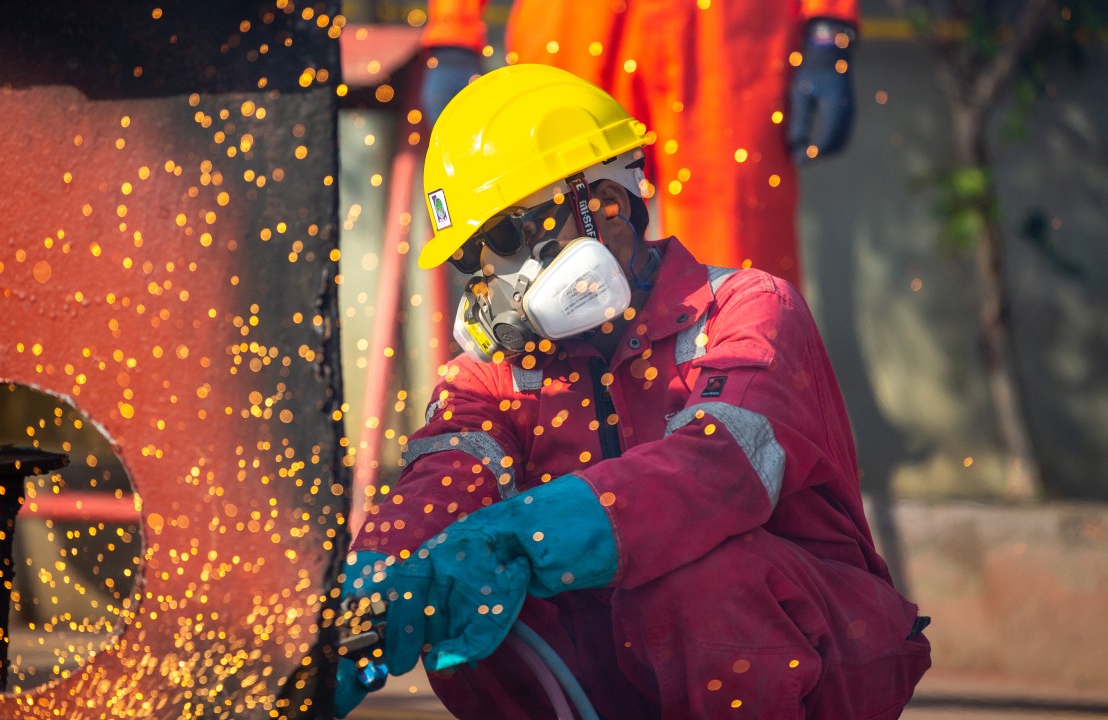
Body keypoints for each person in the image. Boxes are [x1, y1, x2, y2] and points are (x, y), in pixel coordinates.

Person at [334, 64, 929, 719]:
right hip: (612, 670)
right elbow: (445, 479)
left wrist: (518, 538)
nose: (490, 281)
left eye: (504, 238)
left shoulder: (744, 310)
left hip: (809, 664)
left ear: (608, 208)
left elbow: (712, 472)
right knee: (464, 614)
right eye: (472, 257)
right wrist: (367, 591)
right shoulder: (495, 374)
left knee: (700, 582)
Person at [418, 0, 859, 290]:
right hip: (573, 17)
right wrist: (453, 29)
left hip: (727, 26)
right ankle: (561, 429)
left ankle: (741, 416)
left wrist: (828, 27)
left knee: (737, 268)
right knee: (555, 250)